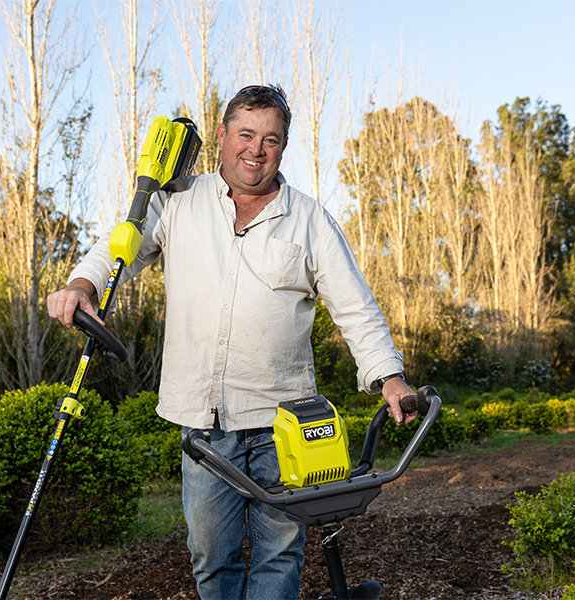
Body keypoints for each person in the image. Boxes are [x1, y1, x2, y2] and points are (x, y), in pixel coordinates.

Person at [47, 84, 416, 600]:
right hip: (205, 426)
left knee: (278, 557)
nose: (255, 149)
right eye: (246, 134)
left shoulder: (309, 219)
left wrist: (390, 377)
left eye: (270, 139)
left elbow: (356, 307)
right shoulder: (177, 201)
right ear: (222, 135)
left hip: (284, 424)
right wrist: (82, 287)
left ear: (283, 146)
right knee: (213, 561)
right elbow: (118, 247)